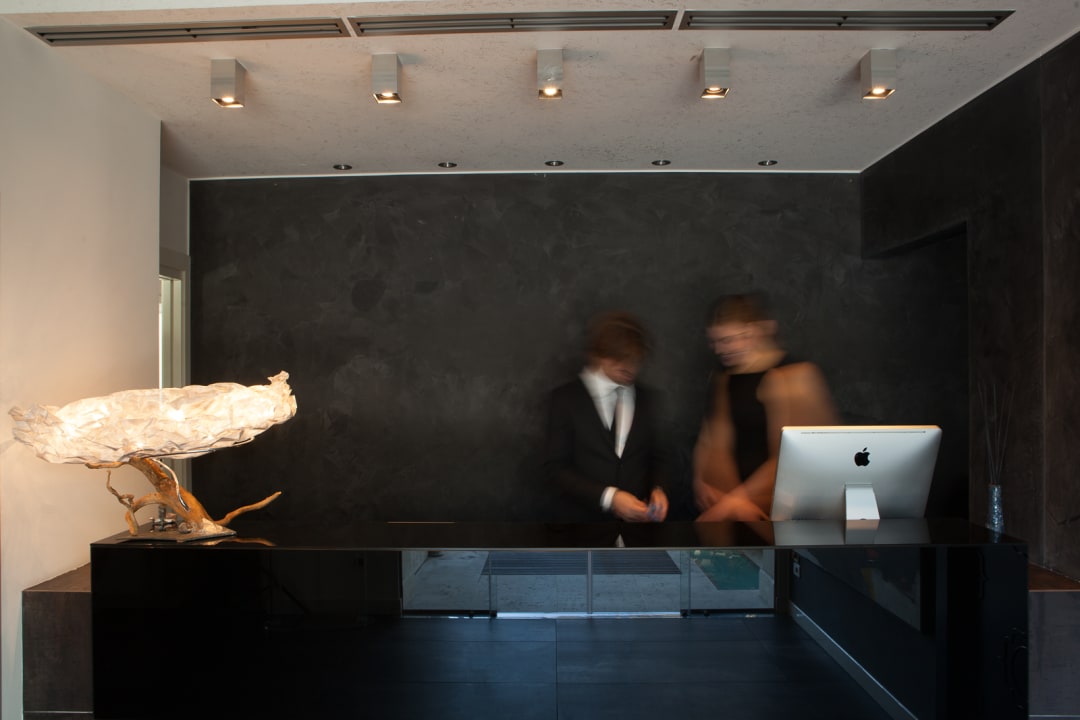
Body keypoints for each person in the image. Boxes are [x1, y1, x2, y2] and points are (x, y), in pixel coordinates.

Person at [693, 294, 837, 521]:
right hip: (735, 507)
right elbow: (713, 438)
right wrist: (702, 482)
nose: (720, 350)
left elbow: (796, 456)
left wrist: (737, 501)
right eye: (715, 342)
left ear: (758, 332)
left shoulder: (795, 375)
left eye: (728, 340)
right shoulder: (723, 378)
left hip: (782, 507)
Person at [544, 311, 670, 522]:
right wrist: (610, 498)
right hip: (579, 528)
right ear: (598, 354)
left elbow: (659, 458)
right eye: (621, 359)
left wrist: (659, 489)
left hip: (639, 528)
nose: (630, 367)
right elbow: (556, 469)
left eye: (636, 360)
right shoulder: (565, 399)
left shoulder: (648, 399)